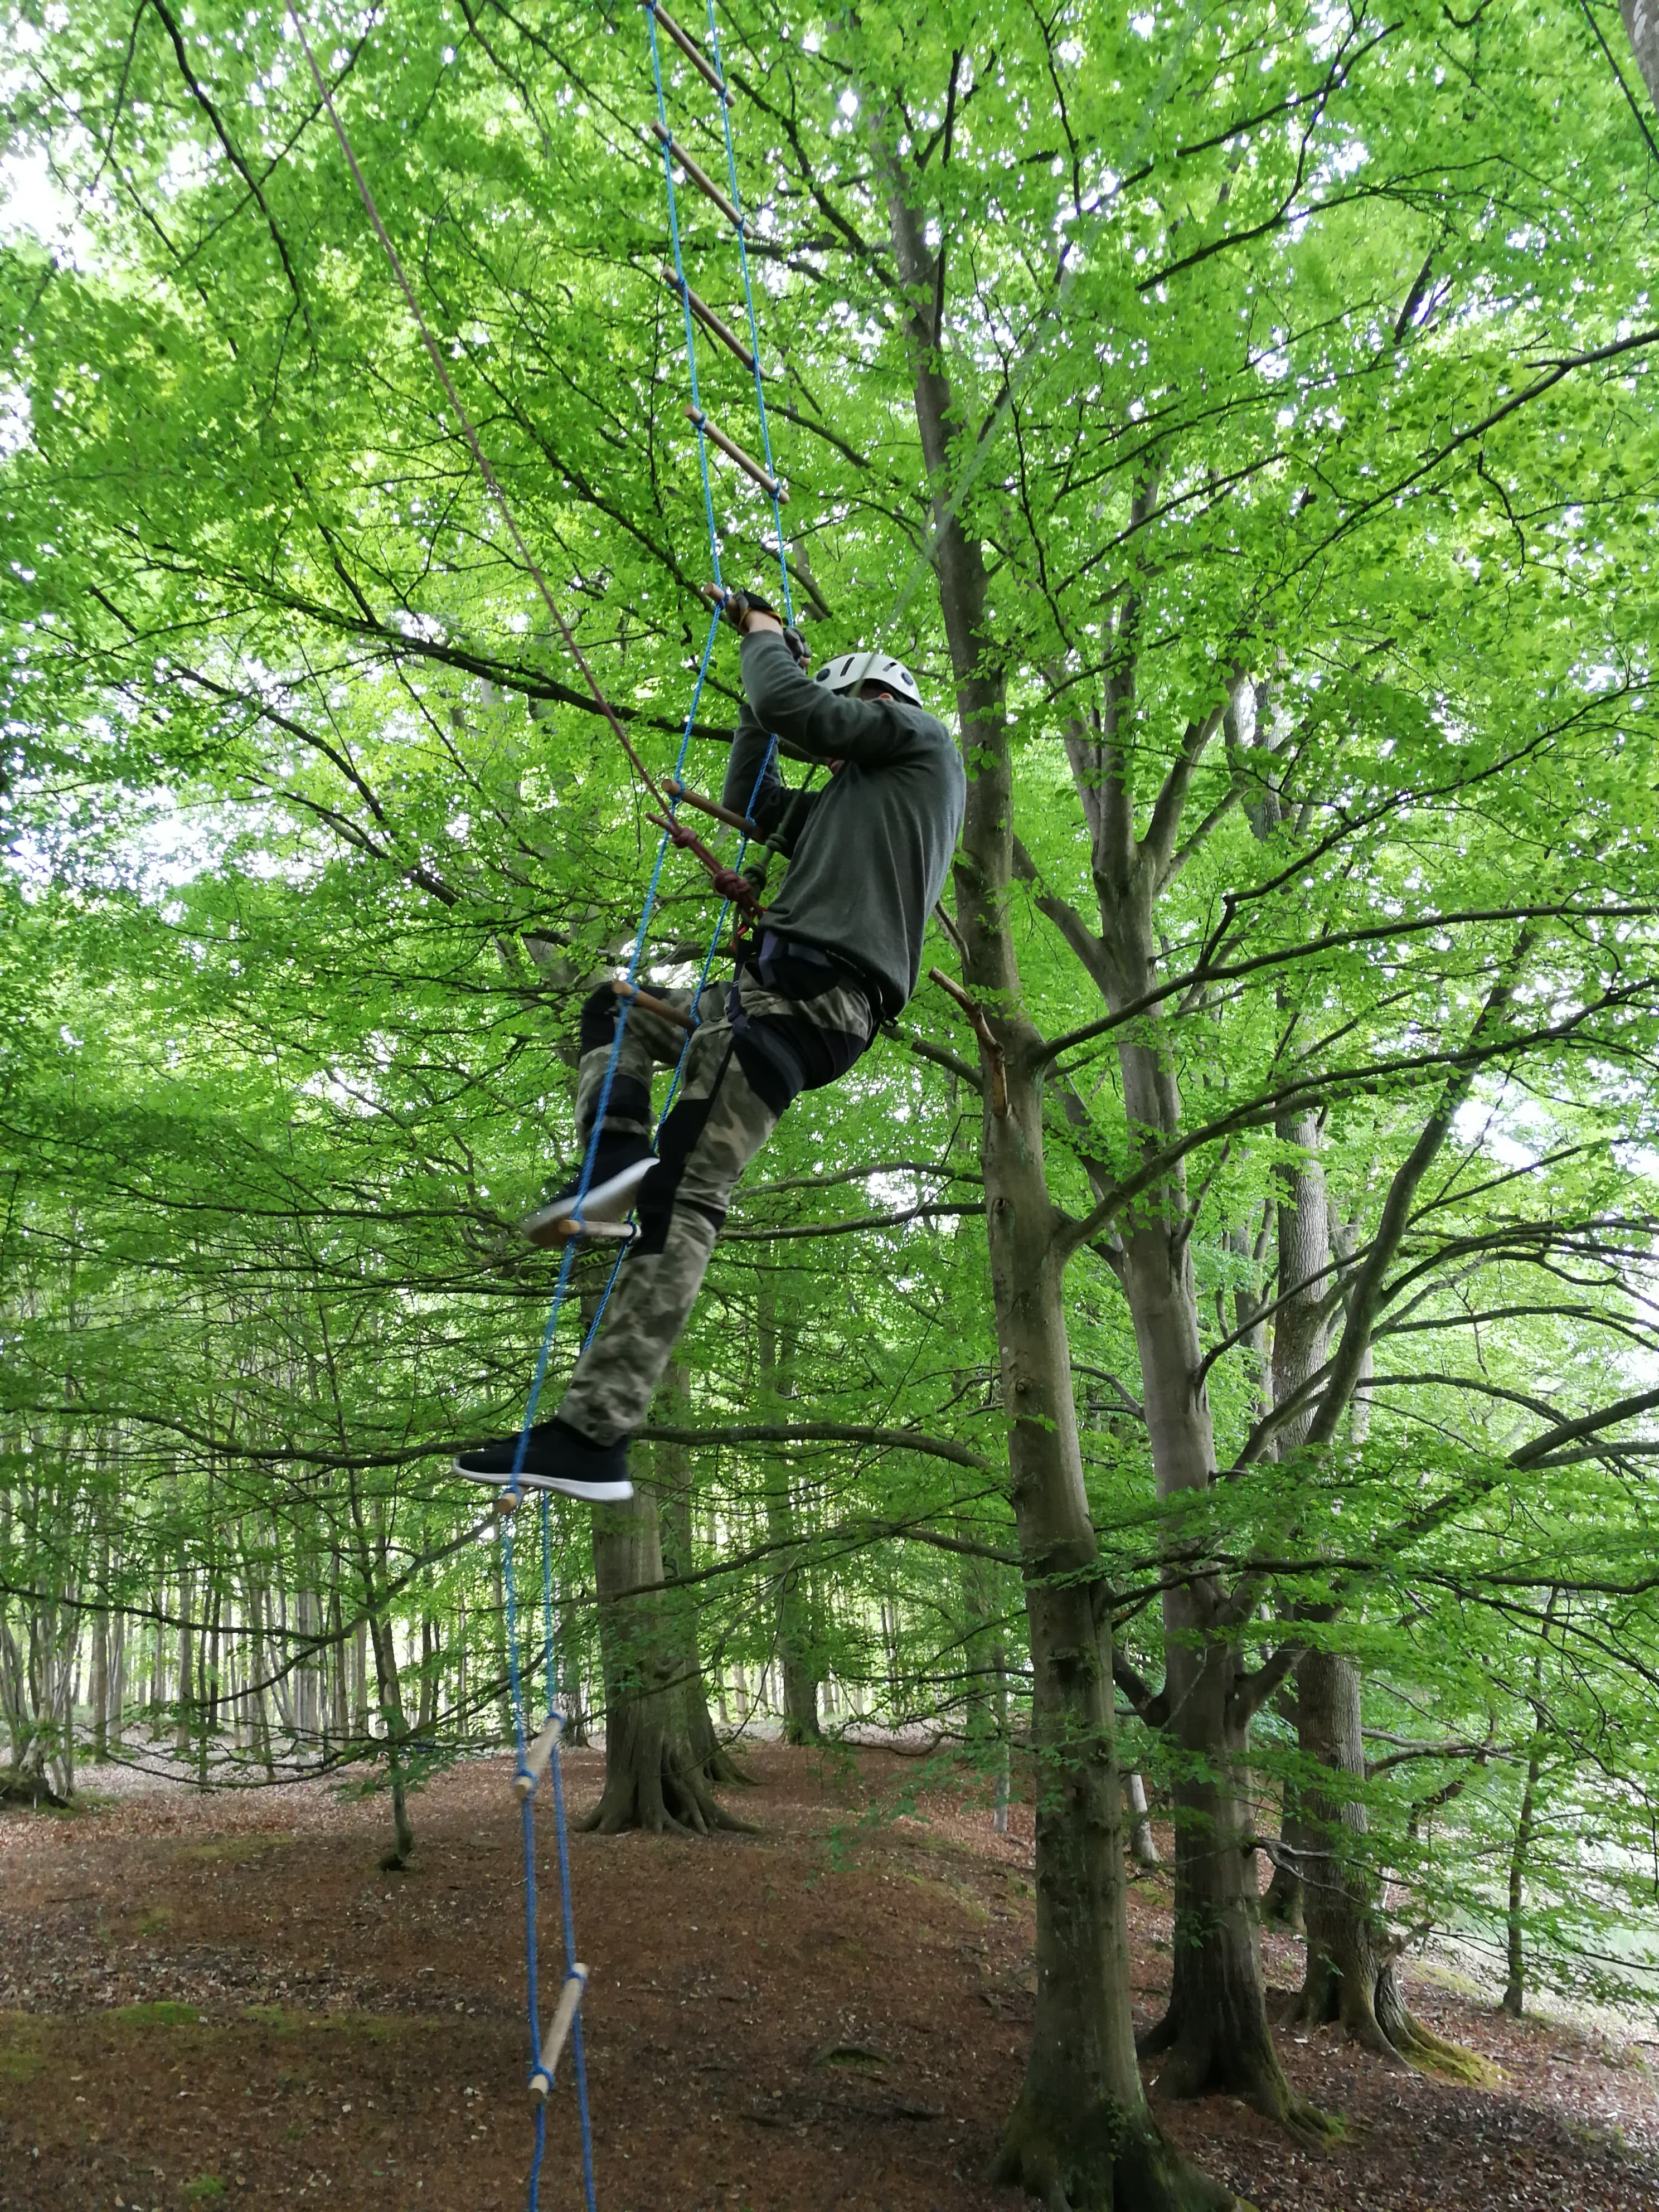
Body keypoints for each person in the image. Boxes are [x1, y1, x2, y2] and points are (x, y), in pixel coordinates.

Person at [454, 588, 967, 1503]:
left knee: (688, 1194)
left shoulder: (922, 750)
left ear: (876, 705)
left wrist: (769, 644)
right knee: (617, 1008)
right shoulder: (853, 804)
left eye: (846, 721)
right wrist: (751, 695)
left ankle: (594, 1432)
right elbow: (755, 796)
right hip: (773, 1000)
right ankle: (611, 1160)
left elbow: (795, 709)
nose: (835, 741)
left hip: (804, 1003)